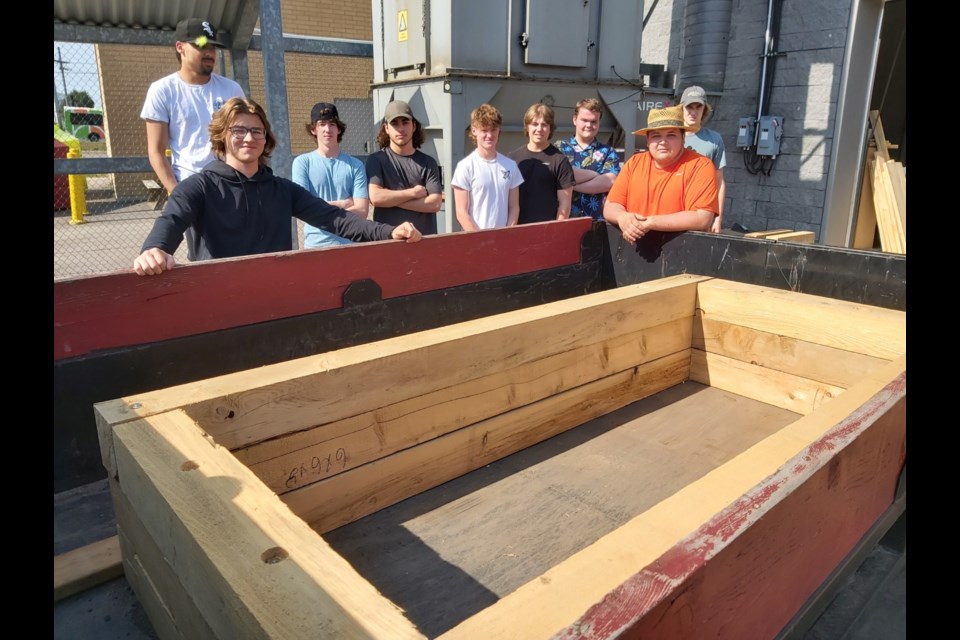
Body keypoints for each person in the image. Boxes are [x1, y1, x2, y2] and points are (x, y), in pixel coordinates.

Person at [133, 98, 420, 276]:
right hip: (218, 295)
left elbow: (335, 219)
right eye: (238, 130)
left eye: (256, 130)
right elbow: (172, 219)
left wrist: (387, 231)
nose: (248, 137)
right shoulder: (199, 187)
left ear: (265, 138)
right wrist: (155, 249)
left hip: (277, 291)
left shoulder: (282, 190)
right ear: (222, 136)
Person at [140, 18, 245, 195]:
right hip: (189, 188)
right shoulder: (163, 90)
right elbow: (156, 151)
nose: (209, 53)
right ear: (180, 47)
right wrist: (178, 194)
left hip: (231, 186)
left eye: (212, 47)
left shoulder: (231, 89)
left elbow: (244, 139)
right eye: (201, 46)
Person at [603, 105, 718, 245]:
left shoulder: (701, 165)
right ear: (648, 140)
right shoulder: (634, 163)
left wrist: (650, 222)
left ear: (683, 138)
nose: (663, 142)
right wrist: (622, 217)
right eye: (656, 136)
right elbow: (611, 205)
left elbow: (702, 217)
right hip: (634, 250)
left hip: (681, 251)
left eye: (671, 135)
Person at [292, 102, 370, 248]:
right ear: (313, 129)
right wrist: (342, 204)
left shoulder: (355, 165)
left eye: (332, 124)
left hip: (351, 244)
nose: (327, 129)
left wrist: (320, 206)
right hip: (316, 247)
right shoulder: (302, 163)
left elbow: (362, 211)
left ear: (339, 129)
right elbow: (305, 209)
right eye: (322, 124)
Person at [366, 100, 443, 235]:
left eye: (405, 122)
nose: (401, 128)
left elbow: (435, 203)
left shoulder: (428, 163)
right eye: (395, 123)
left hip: (423, 244)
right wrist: (412, 193)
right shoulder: (377, 160)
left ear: (414, 126)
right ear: (386, 128)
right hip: (388, 243)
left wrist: (392, 201)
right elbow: (376, 198)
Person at [450, 104, 524, 230]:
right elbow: (461, 213)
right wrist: (481, 240)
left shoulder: (510, 166)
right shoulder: (465, 166)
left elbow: (514, 207)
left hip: (502, 242)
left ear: (499, 130)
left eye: (493, 129)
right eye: (484, 130)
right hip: (475, 242)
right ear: (474, 131)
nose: (489, 135)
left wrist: (506, 234)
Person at [554, 98, 621, 220]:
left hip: (595, 222)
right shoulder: (559, 148)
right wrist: (595, 175)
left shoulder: (607, 152)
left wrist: (569, 185)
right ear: (575, 120)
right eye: (584, 120)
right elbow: (556, 175)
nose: (589, 125)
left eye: (594, 121)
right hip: (563, 220)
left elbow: (609, 182)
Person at [509, 103, 576, 224]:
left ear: (550, 128)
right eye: (534, 124)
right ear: (527, 127)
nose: (539, 129)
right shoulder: (513, 159)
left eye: (544, 125)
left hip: (546, 233)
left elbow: (564, 206)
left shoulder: (560, 161)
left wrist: (555, 234)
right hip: (517, 231)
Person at [679, 86, 727, 233]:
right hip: (673, 210)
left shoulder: (714, 139)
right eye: (689, 107)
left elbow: (719, 182)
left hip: (701, 213)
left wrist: (717, 218)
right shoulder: (670, 136)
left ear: (704, 110)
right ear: (681, 109)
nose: (693, 112)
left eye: (698, 107)